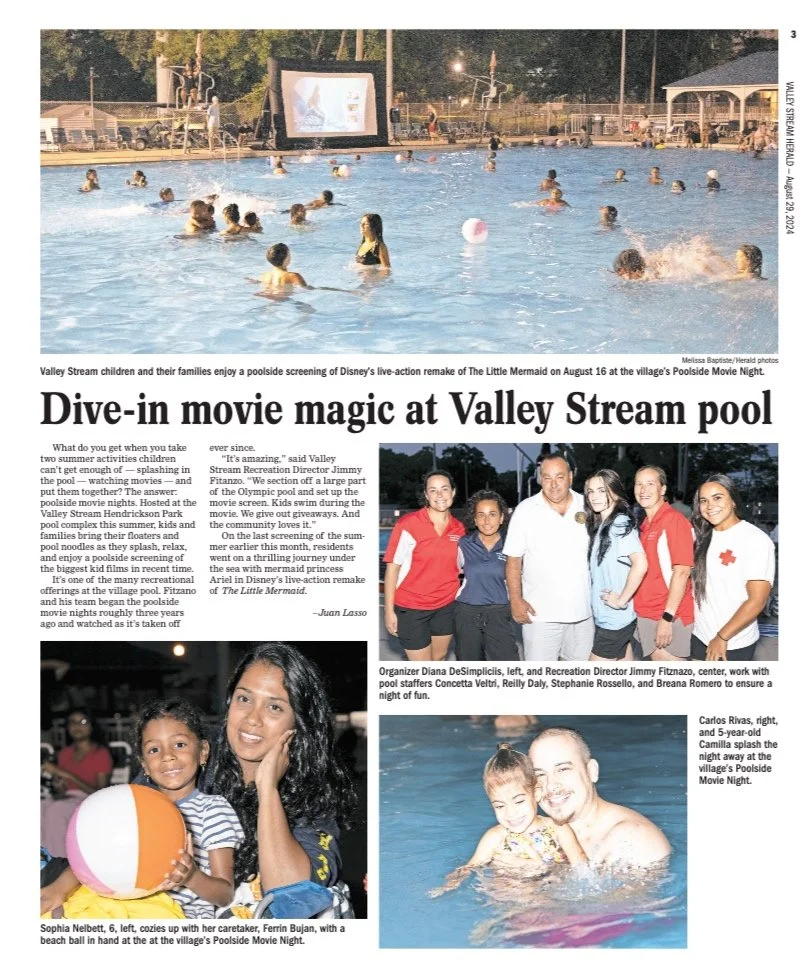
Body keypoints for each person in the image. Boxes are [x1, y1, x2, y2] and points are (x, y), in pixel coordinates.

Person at [210, 643, 355, 916]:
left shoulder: (314, 799)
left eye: (274, 707)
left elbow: (292, 896)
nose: (252, 719)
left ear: (297, 724)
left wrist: (268, 790)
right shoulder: (191, 772)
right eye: (244, 699)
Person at [429, 743, 586, 896]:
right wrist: (449, 884)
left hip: (553, 895)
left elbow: (583, 870)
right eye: (499, 806)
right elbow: (470, 867)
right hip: (510, 899)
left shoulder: (558, 829)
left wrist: (542, 868)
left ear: (536, 793)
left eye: (518, 801)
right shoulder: (495, 837)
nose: (511, 813)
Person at [136, 699, 244, 918]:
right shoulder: (136, 809)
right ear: (144, 765)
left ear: (203, 751)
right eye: (154, 749)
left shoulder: (212, 809)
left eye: (180, 744)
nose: (167, 756)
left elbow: (225, 894)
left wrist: (192, 877)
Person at [529, 728, 671, 868]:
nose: (550, 786)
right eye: (540, 775)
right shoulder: (533, 837)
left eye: (563, 769)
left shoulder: (634, 839)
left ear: (592, 771)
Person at [503, 452, 592, 661]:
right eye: (547, 477)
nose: (553, 484)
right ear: (539, 478)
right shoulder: (525, 510)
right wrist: (515, 600)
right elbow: (513, 560)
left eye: (560, 477)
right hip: (540, 615)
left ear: (571, 476)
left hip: (583, 613)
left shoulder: (589, 505)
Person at [690, 475, 775, 662]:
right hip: (699, 635)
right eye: (704, 500)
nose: (710, 505)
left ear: (734, 500)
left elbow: (757, 601)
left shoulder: (755, 540)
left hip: (731, 642)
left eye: (717, 497)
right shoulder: (701, 537)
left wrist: (722, 637)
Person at [383, 470, 465, 661]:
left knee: (439, 658)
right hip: (412, 607)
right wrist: (388, 611)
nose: (439, 495)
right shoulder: (408, 524)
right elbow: (392, 569)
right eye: (433, 490)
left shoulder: (459, 528)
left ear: (453, 492)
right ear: (426, 495)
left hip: (446, 605)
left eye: (444, 489)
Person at [584, 470, 648, 662]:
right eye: (590, 491)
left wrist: (621, 600)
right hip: (612, 617)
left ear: (615, 491)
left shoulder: (619, 524)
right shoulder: (604, 525)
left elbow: (641, 563)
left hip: (615, 619)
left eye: (601, 491)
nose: (594, 497)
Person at [632, 466, 694, 661]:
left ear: (663, 489)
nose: (643, 490)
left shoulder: (674, 520)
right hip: (646, 612)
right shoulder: (645, 523)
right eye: (639, 484)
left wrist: (667, 618)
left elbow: (682, 572)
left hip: (666, 615)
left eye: (650, 484)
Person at [454, 490, 517, 662]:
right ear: (474, 519)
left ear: (502, 518)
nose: (487, 521)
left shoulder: (512, 545)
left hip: (499, 612)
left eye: (492, 514)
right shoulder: (463, 544)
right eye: (481, 515)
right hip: (466, 611)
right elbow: (449, 571)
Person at [41, 708, 112, 857]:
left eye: (83, 721)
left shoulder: (100, 753)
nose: (77, 726)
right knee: (40, 806)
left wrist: (68, 775)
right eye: (72, 722)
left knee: (57, 809)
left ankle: (58, 862)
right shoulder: (65, 753)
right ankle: (42, 858)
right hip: (67, 799)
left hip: (89, 800)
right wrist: (59, 786)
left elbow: (100, 793)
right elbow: (61, 790)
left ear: (91, 726)